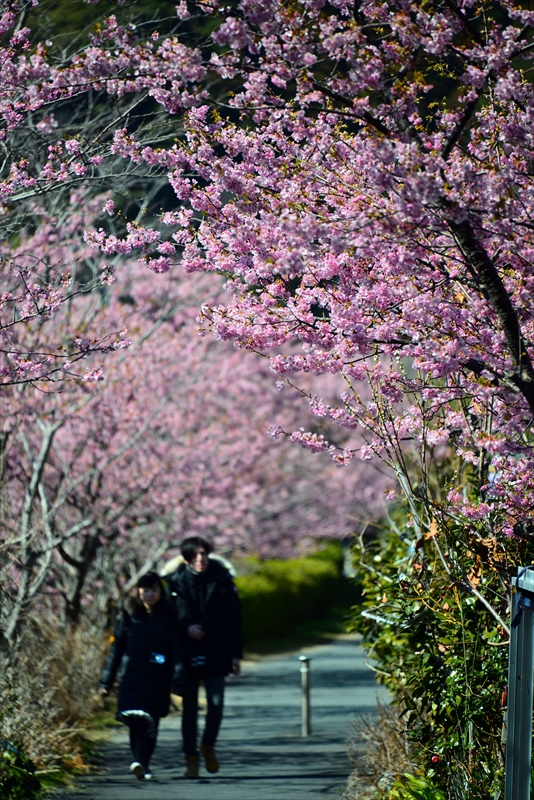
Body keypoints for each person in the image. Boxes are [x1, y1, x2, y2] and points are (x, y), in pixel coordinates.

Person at [166, 536, 242, 778]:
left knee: (216, 704)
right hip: (186, 655)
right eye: (195, 556)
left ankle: (207, 745)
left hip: (216, 652)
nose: (201, 560)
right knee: (189, 710)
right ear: (187, 559)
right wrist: (186, 628)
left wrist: (235, 655)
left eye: (204, 555)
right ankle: (191, 759)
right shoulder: (175, 584)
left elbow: (234, 620)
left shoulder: (222, 581)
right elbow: (168, 621)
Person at [100, 572, 182, 781]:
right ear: (139, 591)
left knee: (152, 723)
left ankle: (144, 763)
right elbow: (117, 647)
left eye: (154, 590)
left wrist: (178, 679)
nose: (150, 594)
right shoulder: (129, 613)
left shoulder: (168, 614)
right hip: (132, 677)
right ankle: (138, 761)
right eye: (146, 590)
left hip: (158, 677)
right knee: (135, 720)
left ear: (160, 591)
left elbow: (176, 650)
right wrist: (106, 680)